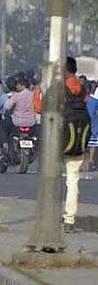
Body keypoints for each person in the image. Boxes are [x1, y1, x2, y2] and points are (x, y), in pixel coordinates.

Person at [63, 57, 90, 233]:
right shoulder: (83, 90)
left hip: (59, 138)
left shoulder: (58, 88)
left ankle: (48, 217)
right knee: (73, 180)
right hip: (78, 140)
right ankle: (69, 219)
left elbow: (38, 107)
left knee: (50, 178)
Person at [86, 81, 98, 173]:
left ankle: (86, 163)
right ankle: (90, 161)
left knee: (86, 145)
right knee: (92, 144)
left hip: (84, 126)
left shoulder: (83, 99)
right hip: (93, 126)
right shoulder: (94, 101)